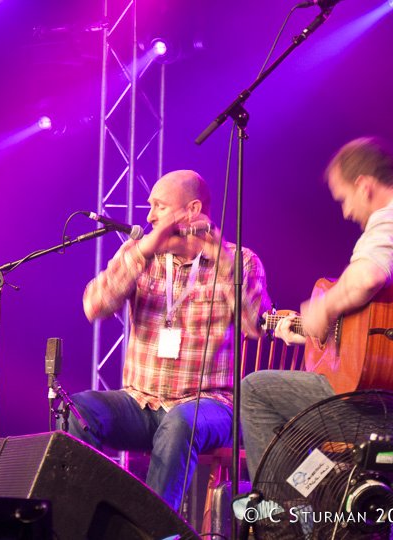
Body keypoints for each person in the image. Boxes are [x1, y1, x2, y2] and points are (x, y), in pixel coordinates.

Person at [67, 169, 271, 512]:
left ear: (191, 210)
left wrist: (223, 261)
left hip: (209, 405)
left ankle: (152, 530)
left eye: (158, 206)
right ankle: (82, 518)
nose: (148, 216)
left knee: (180, 421)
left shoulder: (241, 260)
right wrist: (146, 247)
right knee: (78, 410)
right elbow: (94, 306)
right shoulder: (141, 255)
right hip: (141, 402)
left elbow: (255, 326)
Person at [241, 136, 393, 481]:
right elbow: (378, 340)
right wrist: (310, 333)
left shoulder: (392, 219)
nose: (347, 212)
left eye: (344, 199)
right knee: (296, 412)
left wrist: (324, 309)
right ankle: (320, 504)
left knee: (256, 391)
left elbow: (367, 277)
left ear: (363, 186)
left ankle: (285, 522)